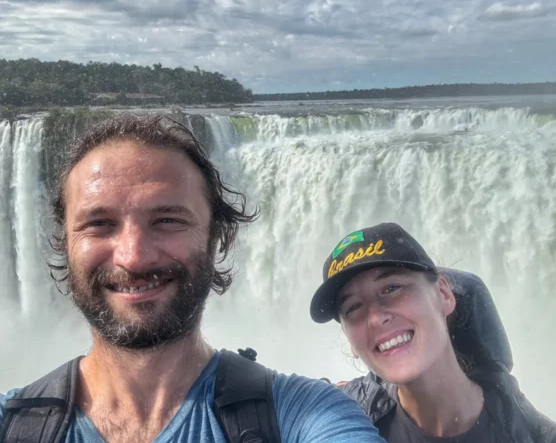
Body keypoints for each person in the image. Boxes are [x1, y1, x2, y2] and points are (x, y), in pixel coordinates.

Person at [0, 115, 385, 443]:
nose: (134, 257)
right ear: (64, 243)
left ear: (217, 236)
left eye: (167, 220)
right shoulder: (10, 424)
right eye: (99, 224)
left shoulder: (303, 415)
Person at [310, 222, 556, 442]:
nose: (376, 317)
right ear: (349, 339)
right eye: (354, 307)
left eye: (392, 288)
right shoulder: (337, 416)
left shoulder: (530, 435)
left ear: (443, 293)